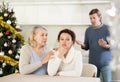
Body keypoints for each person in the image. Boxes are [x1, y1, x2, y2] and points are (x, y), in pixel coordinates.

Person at [76, 8, 112, 82]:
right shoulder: (88, 30)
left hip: (106, 63)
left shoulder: (107, 28)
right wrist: (82, 44)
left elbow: (114, 46)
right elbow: (87, 47)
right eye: (90, 18)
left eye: (94, 18)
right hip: (93, 64)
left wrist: (105, 46)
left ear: (100, 18)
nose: (92, 20)